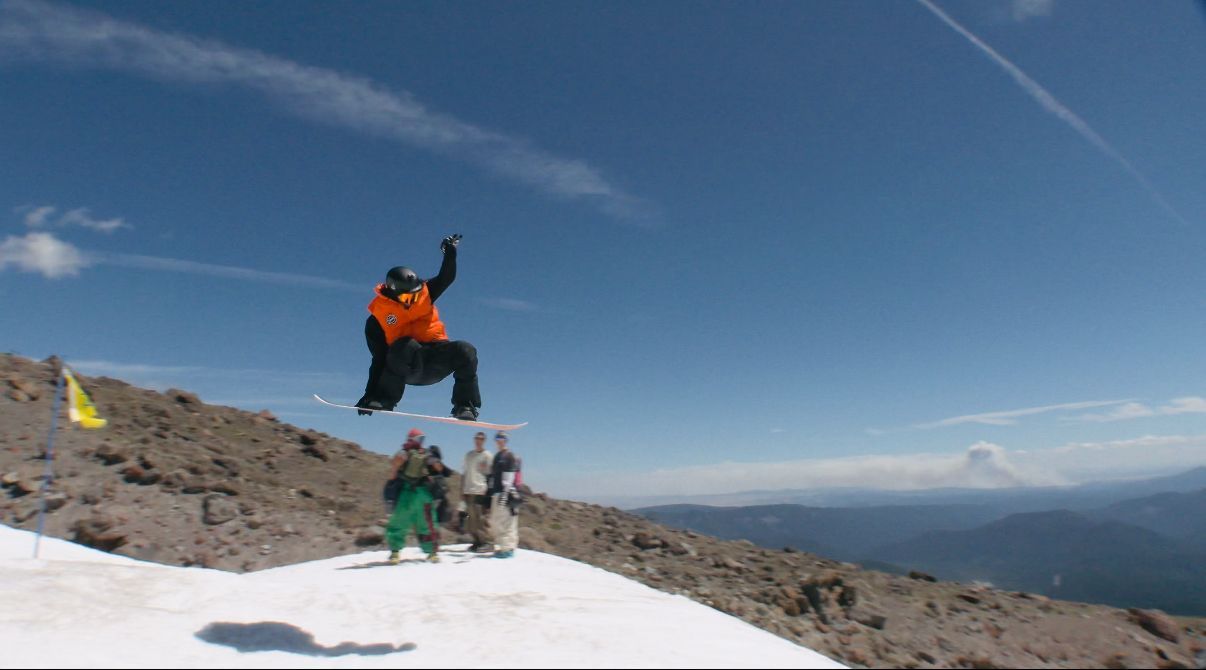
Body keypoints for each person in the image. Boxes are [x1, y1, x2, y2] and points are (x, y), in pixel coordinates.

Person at [355, 233, 482, 421]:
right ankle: (384, 399)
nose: (413, 301)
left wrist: (450, 252)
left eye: (415, 295)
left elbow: (446, 278)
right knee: (404, 345)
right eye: (407, 298)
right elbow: (379, 359)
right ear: (393, 293)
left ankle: (465, 406)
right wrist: (370, 394)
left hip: (435, 360)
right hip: (406, 366)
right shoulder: (376, 321)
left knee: (466, 350)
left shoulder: (425, 292)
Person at [384, 428, 442, 564]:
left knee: (428, 522)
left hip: (422, 491)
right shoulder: (404, 452)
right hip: (407, 490)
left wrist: (433, 459)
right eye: (419, 438)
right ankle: (395, 552)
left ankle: (432, 552)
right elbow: (394, 467)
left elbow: (438, 468)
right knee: (399, 520)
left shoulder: (425, 453)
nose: (420, 441)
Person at [487, 430, 522, 559]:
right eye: (497, 438)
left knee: (506, 522)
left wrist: (505, 494)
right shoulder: (497, 456)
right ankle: (504, 546)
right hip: (497, 492)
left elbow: (509, 477)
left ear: (506, 440)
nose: (499, 441)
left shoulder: (509, 456)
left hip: (505, 493)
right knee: (497, 521)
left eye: (502, 438)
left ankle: (507, 549)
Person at [461, 431, 494, 552]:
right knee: (471, 518)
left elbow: (491, 474)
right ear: (474, 440)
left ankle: (486, 542)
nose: (478, 440)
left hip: (481, 490)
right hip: (469, 490)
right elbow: (464, 472)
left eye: (481, 438)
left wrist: (489, 492)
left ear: (484, 440)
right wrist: (462, 490)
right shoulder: (469, 455)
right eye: (476, 438)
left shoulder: (487, 455)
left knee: (481, 518)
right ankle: (477, 541)